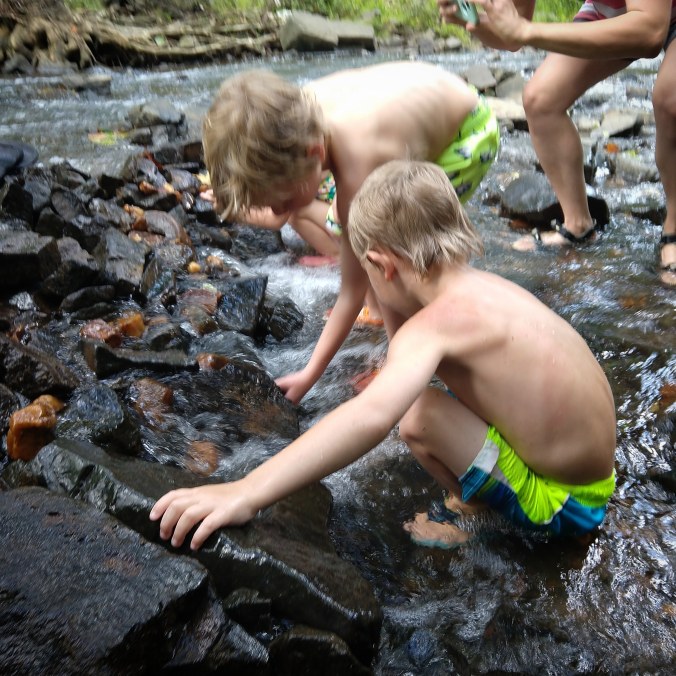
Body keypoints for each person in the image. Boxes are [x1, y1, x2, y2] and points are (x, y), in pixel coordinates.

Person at [149, 160, 617, 551]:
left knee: (419, 416)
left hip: (563, 504)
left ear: (381, 264)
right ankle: (493, 491)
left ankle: (471, 512)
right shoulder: (490, 289)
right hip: (596, 479)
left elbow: (372, 417)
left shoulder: (434, 326)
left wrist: (246, 490)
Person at [201, 61, 500, 404]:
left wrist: (311, 373)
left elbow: (350, 292)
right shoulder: (289, 123)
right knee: (352, 233)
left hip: (466, 133)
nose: (279, 215)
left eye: (282, 202)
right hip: (421, 102)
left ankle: (412, 354)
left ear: (315, 155)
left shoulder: (361, 159)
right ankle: (387, 320)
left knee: (393, 258)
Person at [437, 0, 676, 284]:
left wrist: (526, 30)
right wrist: (472, 21)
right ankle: (579, 226)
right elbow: (511, 37)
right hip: (615, 9)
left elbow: (648, 33)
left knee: (670, 99)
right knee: (541, 99)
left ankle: (674, 228)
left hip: (648, 17)